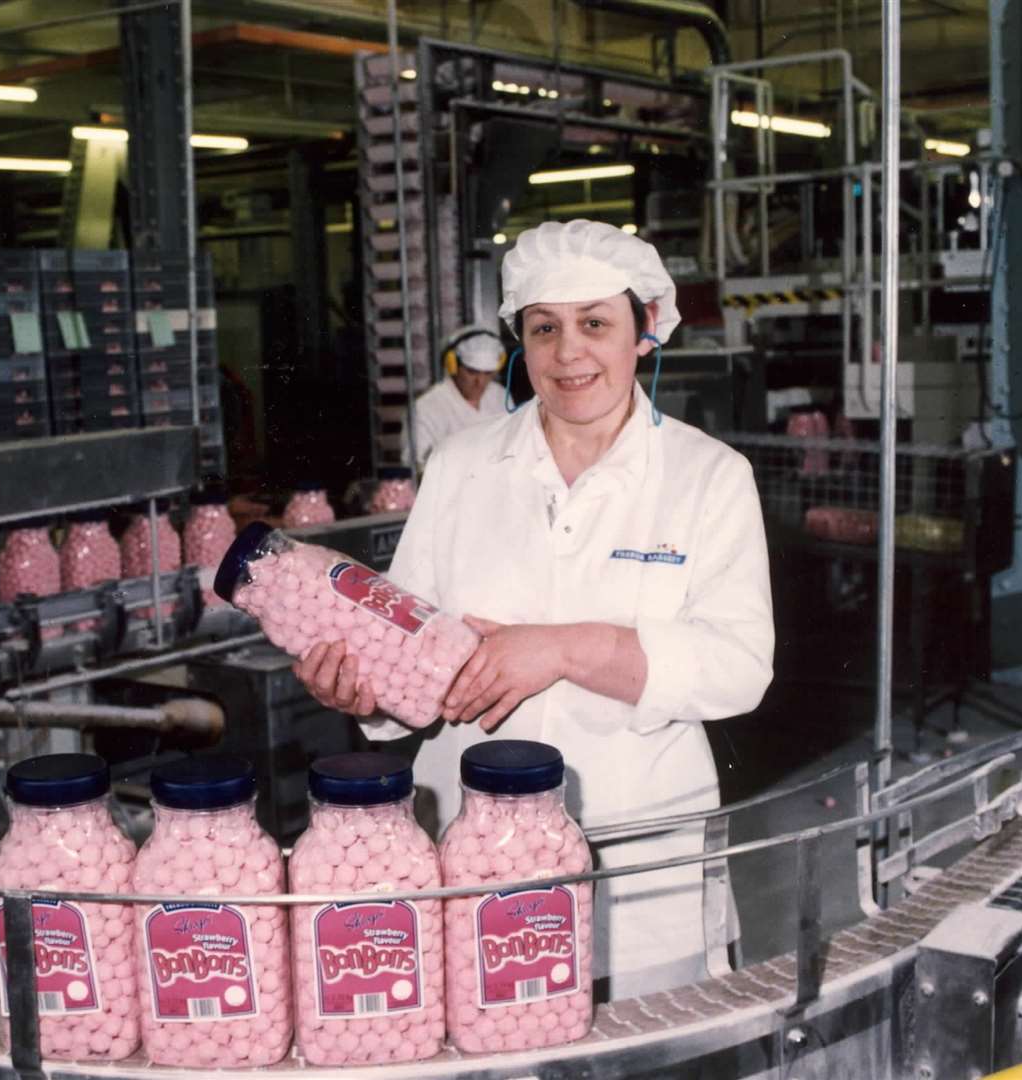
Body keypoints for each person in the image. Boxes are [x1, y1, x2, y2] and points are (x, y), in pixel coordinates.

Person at [295, 219, 774, 996]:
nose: (568, 352)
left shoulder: (707, 476)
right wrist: (366, 692)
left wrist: (562, 648)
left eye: (595, 324)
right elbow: (408, 653)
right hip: (473, 846)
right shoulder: (460, 466)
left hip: (638, 847)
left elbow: (740, 668)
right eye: (544, 328)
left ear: (643, 332)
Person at [406, 324, 509, 468]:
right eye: (472, 372)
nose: (480, 382)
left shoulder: (500, 396)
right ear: (452, 365)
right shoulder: (426, 408)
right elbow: (417, 466)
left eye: (488, 373)